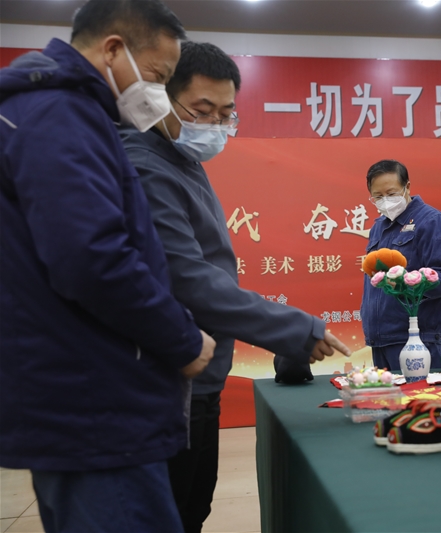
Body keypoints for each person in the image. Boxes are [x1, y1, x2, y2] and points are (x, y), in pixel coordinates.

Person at [0, 1, 218, 531]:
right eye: (158, 77)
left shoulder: (54, 111)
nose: (157, 93)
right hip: (94, 401)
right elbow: (92, 258)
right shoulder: (60, 115)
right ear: (114, 49)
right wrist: (182, 340)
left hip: (78, 391)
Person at [119, 41, 351, 532]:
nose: (214, 124)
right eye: (202, 110)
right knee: (171, 515)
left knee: (192, 509)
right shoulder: (145, 166)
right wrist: (296, 329)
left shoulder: (182, 161)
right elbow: (190, 280)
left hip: (199, 376)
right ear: (161, 97)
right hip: (168, 380)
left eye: (226, 114)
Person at [361, 160, 441, 371]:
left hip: (416, 338)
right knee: (387, 394)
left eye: (391, 193)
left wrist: (407, 283)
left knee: (419, 393)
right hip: (380, 338)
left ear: (407, 187)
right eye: (378, 196)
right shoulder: (378, 227)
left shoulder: (431, 221)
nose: (385, 201)